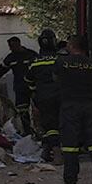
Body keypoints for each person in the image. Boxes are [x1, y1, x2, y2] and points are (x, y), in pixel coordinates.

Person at [50, 39, 92, 184]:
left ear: (72, 47)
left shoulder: (61, 63)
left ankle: (70, 182)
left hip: (69, 107)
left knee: (70, 146)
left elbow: (55, 79)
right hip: (90, 105)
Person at [27, 32, 64, 163]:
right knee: (61, 123)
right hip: (61, 95)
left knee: (49, 125)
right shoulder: (59, 59)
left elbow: (29, 80)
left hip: (43, 97)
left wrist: (34, 94)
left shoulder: (34, 61)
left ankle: (50, 150)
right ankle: (57, 152)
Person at [0, 36, 35, 117]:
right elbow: (1, 70)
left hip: (33, 87)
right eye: (10, 46)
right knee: (22, 111)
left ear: (18, 44)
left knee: (39, 108)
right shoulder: (10, 58)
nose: (10, 49)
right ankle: (26, 128)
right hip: (20, 88)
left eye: (12, 46)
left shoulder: (31, 54)